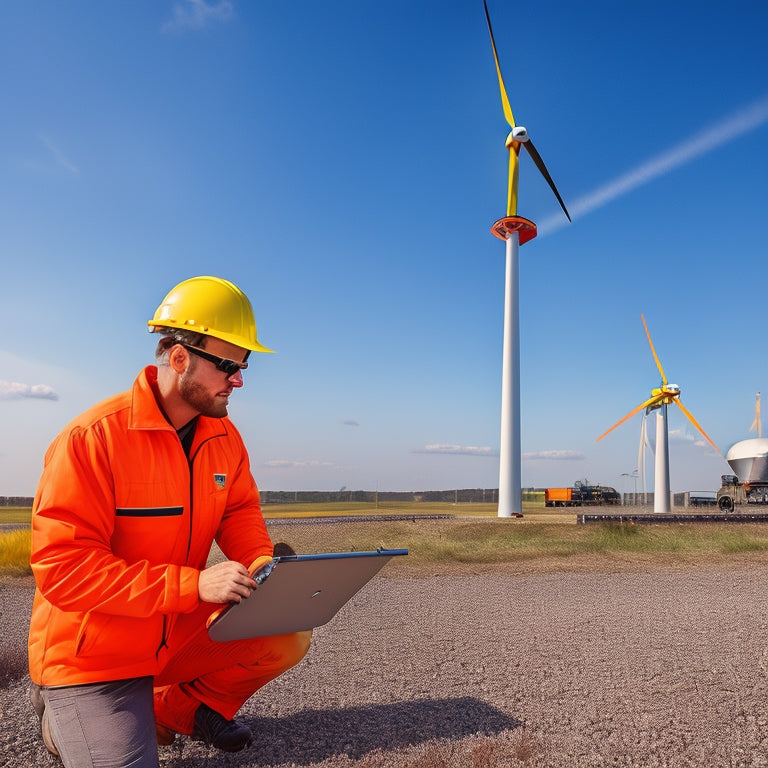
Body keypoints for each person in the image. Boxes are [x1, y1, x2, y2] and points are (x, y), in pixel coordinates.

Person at [27, 276, 311, 768]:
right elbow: (64, 569)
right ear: (180, 358)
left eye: (244, 367)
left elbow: (239, 509)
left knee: (286, 633)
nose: (239, 380)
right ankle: (59, 720)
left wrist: (261, 563)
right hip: (94, 652)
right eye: (229, 366)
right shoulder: (92, 439)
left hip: (170, 630)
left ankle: (175, 707)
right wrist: (193, 585)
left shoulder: (224, 436)